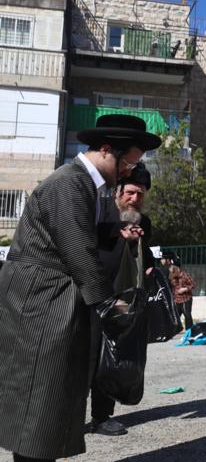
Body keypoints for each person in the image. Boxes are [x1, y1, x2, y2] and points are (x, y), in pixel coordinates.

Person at [0, 114, 160, 462]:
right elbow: (78, 249)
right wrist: (109, 306)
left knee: (53, 394)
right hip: (42, 299)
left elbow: (83, 234)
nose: (128, 172)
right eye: (127, 163)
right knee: (39, 394)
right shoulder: (70, 183)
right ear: (105, 150)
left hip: (55, 296)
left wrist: (113, 231)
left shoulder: (89, 187)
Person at [87, 162, 157, 437]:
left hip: (122, 300)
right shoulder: (101, 213)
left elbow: (144, 257)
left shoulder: (143, 222)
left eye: (140, 194)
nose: (134, 198)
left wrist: (147, 261)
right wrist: (119, 232)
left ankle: (101, 417)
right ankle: (69, 419)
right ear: (118, 192)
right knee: (84, 357)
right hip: (91, 295)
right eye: (130, 192)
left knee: (112, 358)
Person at [169, 264, 196, 331]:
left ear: (177, 270)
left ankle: (189, 330)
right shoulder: (172, 277)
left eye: (173, 272)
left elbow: (193, 285)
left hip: (186, 299)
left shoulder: (185, 276)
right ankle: (174, 330)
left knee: (187, 315)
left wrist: (185, 289)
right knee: (176, 315)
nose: (172, 275)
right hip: (177, 299)